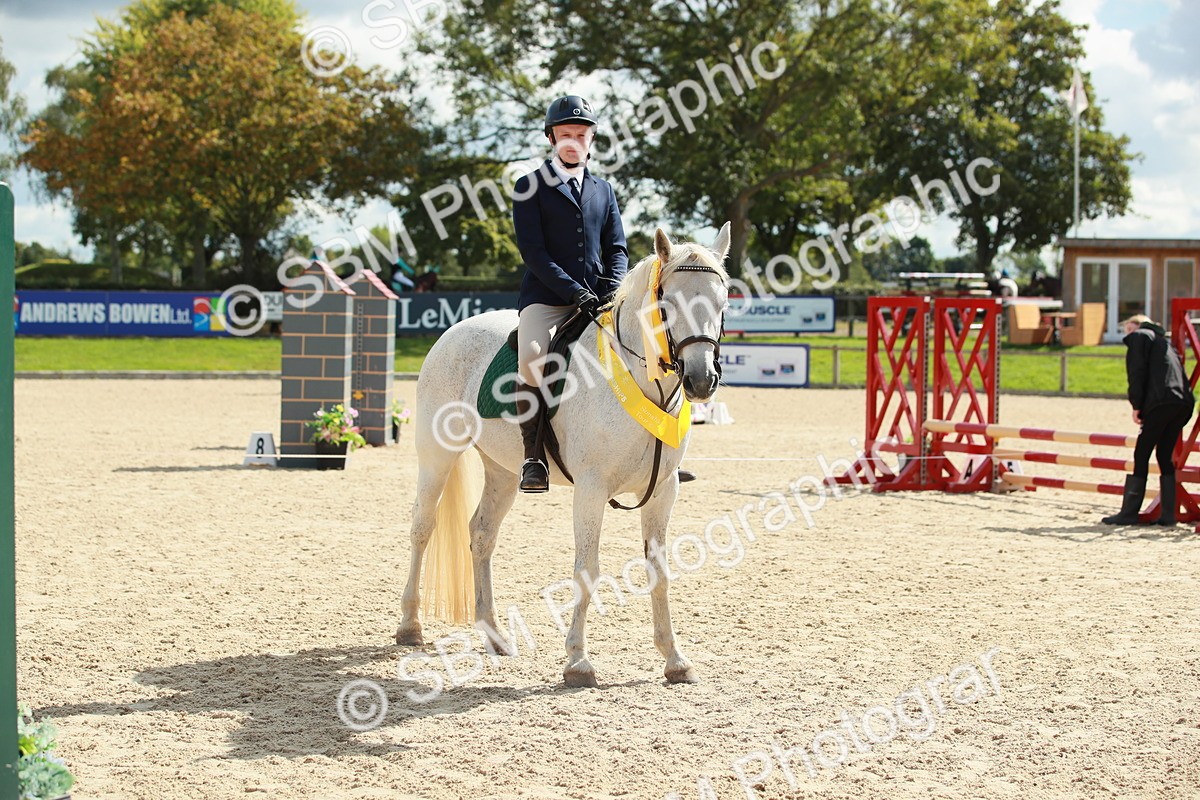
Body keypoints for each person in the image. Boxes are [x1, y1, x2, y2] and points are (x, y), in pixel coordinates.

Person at [511, 95, 629, 493]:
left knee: (647, 346)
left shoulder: (604, 189)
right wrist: (574, 290)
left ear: (591, 138)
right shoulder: (529, 186)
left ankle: (652, 454)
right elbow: (534, 253)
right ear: (551, 137)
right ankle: (533, 457)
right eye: (566, 135)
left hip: (601, 297)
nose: (574, 142)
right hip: (547, 300)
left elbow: (617, 248)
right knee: (531, 359)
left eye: (581, 134)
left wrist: (612, 285)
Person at [1102, 314, 1195, 525]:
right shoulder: (1165, 342)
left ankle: (1129, 513)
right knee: (1164, 454)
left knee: (1142, 452)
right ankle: (1168, 515)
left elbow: (1136, 372)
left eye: (1128, 330)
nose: (1127, 336)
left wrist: (1136, 405)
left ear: (1136, 325)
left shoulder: (1140, 336)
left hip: (1160, 402)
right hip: (1182, 403)